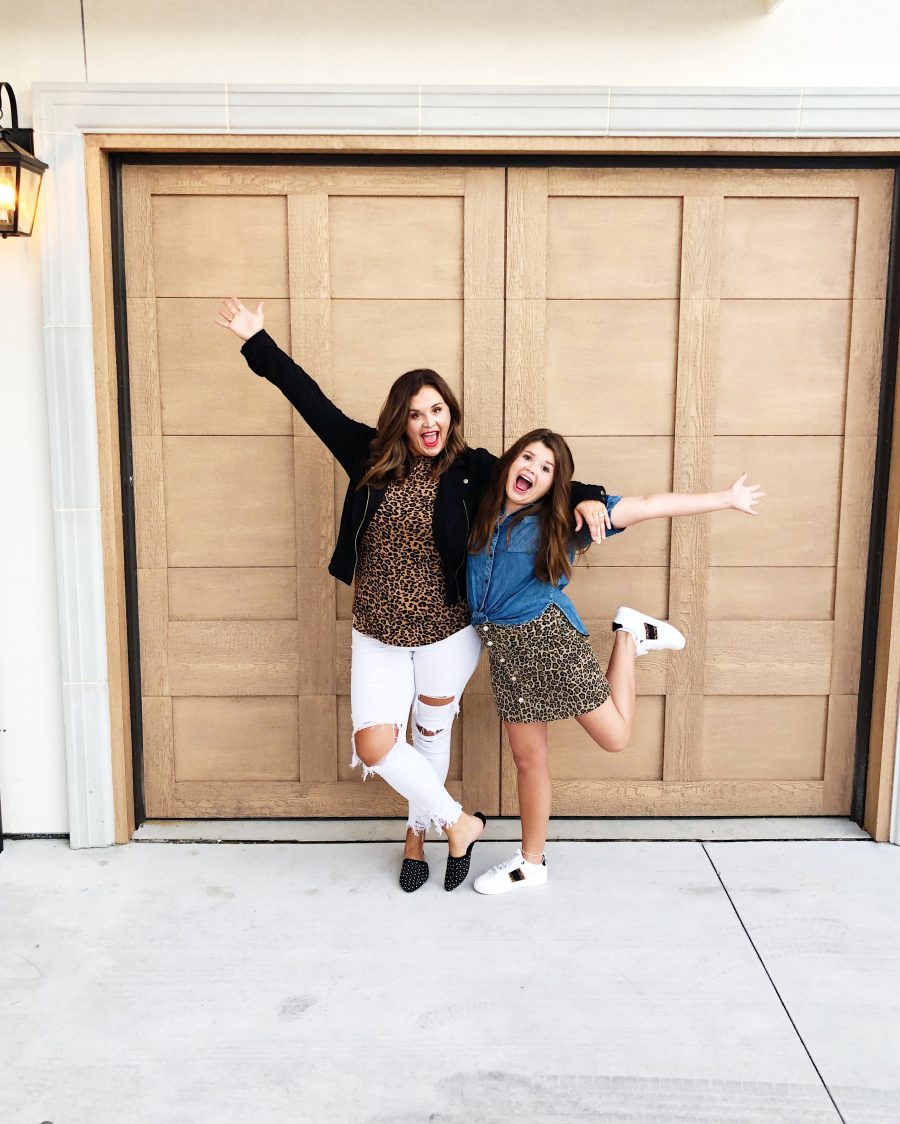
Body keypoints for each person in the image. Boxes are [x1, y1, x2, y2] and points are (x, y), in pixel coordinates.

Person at [216, 300, 610, 892]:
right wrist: (257, 340)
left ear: (450, 414)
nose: (430, 422)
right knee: (376, 744)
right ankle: (458, 823)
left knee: (430, 735)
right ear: (400, 420)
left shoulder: (473, 467)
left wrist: (592, 497)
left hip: (448, 631)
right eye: (418, 413)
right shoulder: (367, 456)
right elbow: (310, 401)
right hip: (376, 629)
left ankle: (416, 836)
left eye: (439, 410)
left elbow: (546, 473)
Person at [466, 428, 764, 895]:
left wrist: (725, 499)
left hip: (549, 642)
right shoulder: (479, 506)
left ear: (554, 484)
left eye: (547, 468)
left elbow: (647, 504)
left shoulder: (566, 519)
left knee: (615, 737)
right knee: (528, 759)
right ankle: (531, 862)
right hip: (504, 652)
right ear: (510, 462)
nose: (533, 471)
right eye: (528, 458)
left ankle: (628, 636)